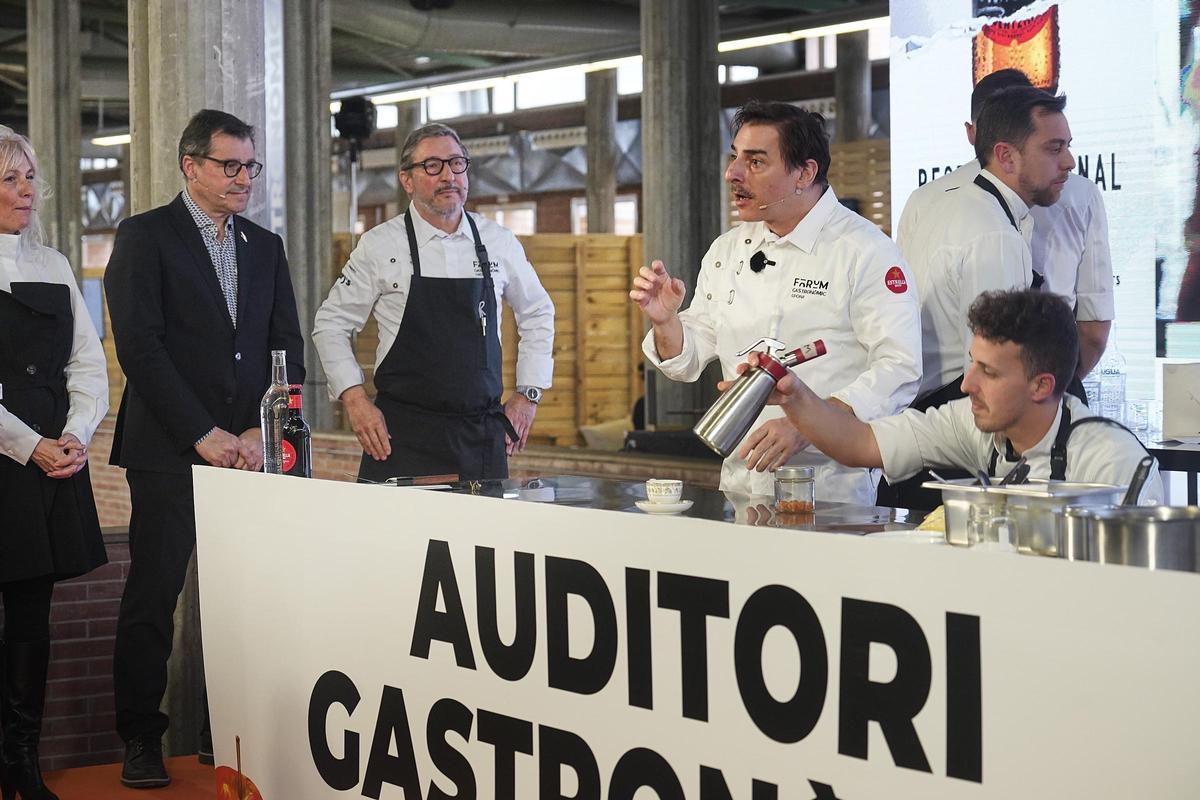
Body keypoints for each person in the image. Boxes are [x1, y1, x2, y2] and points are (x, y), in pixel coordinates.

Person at [104, 109, 305, 788]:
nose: (243, 178)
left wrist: (259, 430)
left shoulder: (264, 245)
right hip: (169, 452)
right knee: (153, 597)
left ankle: (229, 731)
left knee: (242, 599)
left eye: (250, 166)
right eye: (229, 165)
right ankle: (140, 737)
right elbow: (140, 348)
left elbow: (286, 348)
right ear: (191, 166)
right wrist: (203, 434)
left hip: (249, 455)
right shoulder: (144, 237)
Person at [629, 100, 922, 502]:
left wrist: (810, 424)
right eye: (735, 157)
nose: (732, 174)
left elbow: (899, 368)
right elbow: (687, 360)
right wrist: (666, 322)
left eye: (755, 162)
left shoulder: (866, 251)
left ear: (804, 173)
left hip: (833, 488)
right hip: (740, 484)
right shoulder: (726, 251)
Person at [729, 289, 1163, 504]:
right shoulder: (973, 424)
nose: (967, 384)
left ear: (1041, 386)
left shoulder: (1112, 461)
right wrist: (794, 395)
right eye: (972, 364)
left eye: (988, 372)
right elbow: (859, 443)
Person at [313, 122, 554, 482]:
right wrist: (355, 400)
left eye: (456, 163)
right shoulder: (380, 245)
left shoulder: (499, 242)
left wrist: (528, 394)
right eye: (432, 166)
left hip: (480, 435)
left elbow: (538, 312)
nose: (448, 176)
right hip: (399, 437)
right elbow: (330, 324)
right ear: (407, 180)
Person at [0, 127, 108, 800]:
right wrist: (27, 443)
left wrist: (73, 433)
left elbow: (87, 362)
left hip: (48, 459)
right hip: (10, 450)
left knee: (30, 618)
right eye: (9, 179)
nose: (26, 191)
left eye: (30, 177)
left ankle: (21, 760)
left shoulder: (54, 264)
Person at [897, 68, 1113, 394]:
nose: (1069, 162)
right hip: (961, 411)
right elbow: (991, 375)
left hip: (931, 406)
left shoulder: (936, 203)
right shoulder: (996, 236)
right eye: (1054, 148)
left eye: (1068, 146)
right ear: (1006, 156)